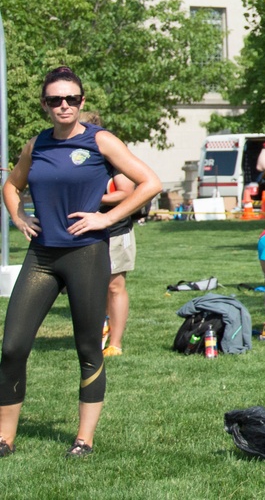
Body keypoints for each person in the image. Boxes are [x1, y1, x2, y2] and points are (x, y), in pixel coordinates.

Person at [1, 66, 160, 458]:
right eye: (55, 99)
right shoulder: (36, 144)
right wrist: (19, 216)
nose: (64, 105)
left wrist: (106, 218)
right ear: (45, 104)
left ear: (82, 101)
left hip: (86, 254)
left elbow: (150, 182)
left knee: (88, 347)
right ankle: (4, 439)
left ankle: (83, 440)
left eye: (71, 98)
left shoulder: (100, 140)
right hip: (41, 255)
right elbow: (11, 184)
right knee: (12, 347)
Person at [79, 110, 136, 358]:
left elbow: (126, 191)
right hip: (83, 229)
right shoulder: (77, 158)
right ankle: (98, 332)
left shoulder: (111, 156)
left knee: (114, 286)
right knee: (92, 286)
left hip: (114, 230)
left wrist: (92, 199)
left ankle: (116, 342)